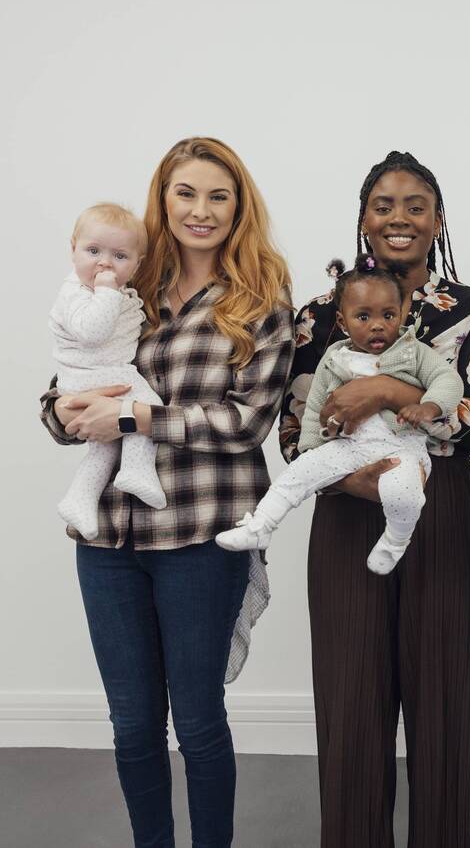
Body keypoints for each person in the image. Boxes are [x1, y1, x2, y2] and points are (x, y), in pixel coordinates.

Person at [40, 137, 294, 848]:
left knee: (200, 719)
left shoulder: (264, 298)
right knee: (131, 722)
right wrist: (59, 412)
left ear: (239, 206)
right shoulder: (120, 282)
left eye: (219, 196)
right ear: (164, 198)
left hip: (202, 533)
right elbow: (73, 373)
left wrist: (135, 415)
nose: (201, 211)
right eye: (186, 193)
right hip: (109, 537)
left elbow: (247, 422)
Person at [278, 150, 470, 848]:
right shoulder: (316, 316)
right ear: (363, 219)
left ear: (438, 221)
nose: (398, 217)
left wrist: (386, 391)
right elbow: (294, 432)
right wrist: (354, 480)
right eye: (384, 204)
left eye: (415, 205)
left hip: (443, 515)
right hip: (346, 516)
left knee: (447, 709)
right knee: (350, 708)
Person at [218, 255, 463, 575]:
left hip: (400, 446)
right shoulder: (335, 358)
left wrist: (429, 406)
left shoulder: (411, 351)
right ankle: (261, 525)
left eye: (388, 315)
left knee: (404, 493)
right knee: (296, 476)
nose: (378, 324)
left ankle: (395, 540)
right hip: (349, 445)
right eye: (363, 316)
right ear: (342, 321)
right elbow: (315, 406)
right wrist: (312, 446)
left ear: (401, 313)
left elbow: (447, 380)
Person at [52, 203, 165, 538]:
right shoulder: (78, 292)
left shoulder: (116, 292)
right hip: (95, 378)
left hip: (98, 376)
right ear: (73, 248)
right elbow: (94, 331)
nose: (104, 262)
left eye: (119, 256)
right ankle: (137, 469)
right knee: (148, 405)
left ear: (137, 263)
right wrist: (107, 291)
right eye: (92, 250)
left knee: (105, 446)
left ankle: (80, 499)